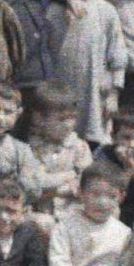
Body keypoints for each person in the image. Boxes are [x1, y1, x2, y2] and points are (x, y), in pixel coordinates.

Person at [46, 0, 128, 146]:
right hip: (60, 88)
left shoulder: (106, 11)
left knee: (92, 141)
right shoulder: (52, 10)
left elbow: (117, 56)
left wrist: (113, 95)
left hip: (94, 92)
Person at [24, 80, 94, 214]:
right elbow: (38, 182)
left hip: (74, 211)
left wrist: (57, 189)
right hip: (42, 211)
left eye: (72, 118)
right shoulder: (30, 149)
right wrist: (70, 175)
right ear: (38, 118)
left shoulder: (80, 147)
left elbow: (87, 182)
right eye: (61, 119)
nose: (68, 125)